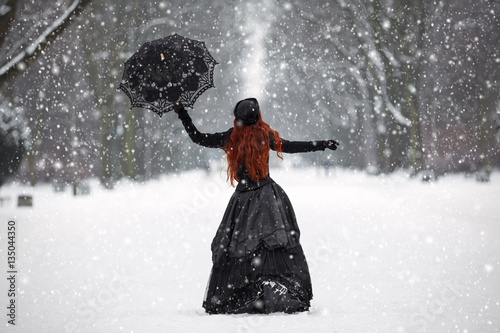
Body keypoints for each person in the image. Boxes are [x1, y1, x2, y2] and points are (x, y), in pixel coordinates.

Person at [173, 98, 339, 314]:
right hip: (268, 196)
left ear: (238, 119)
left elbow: (197, 137)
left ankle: (248, 291)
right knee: (270, 244)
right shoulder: (264, 135)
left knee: (241, 246)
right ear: (257, 116)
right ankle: (269, 288)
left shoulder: (230, 137)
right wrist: (322, 144)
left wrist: (181, 112)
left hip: (242, 199)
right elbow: (289, 146)